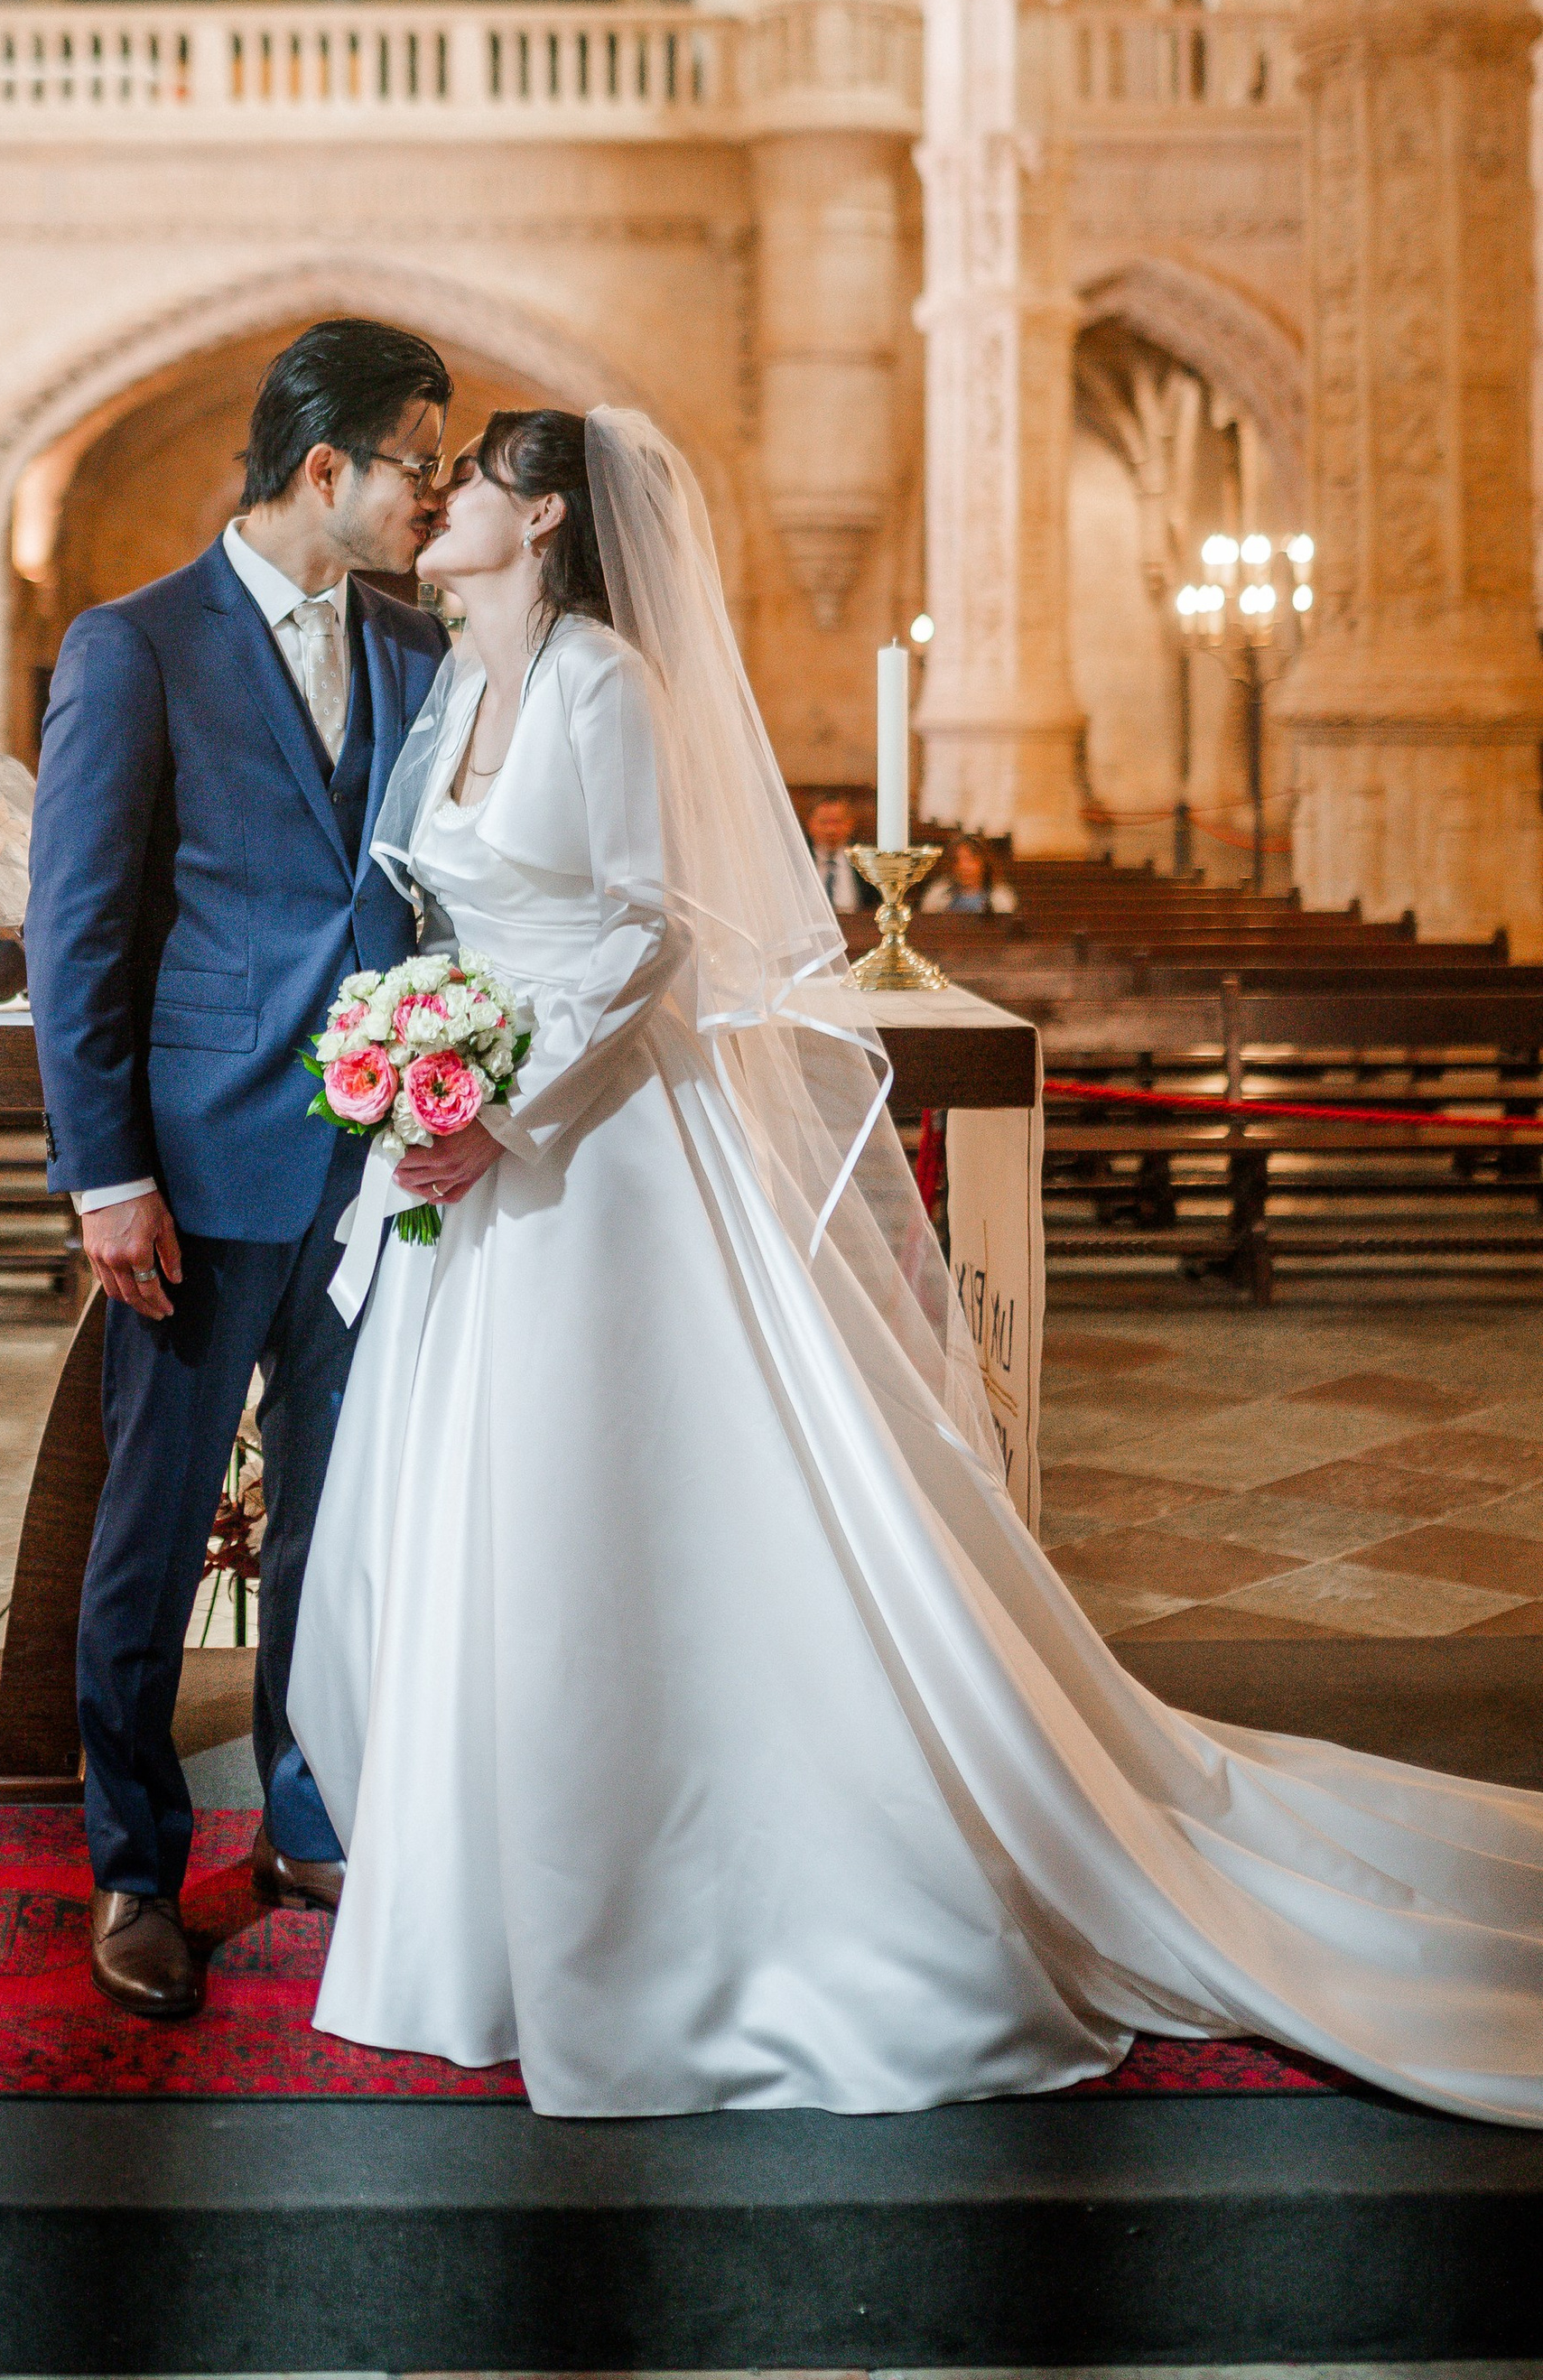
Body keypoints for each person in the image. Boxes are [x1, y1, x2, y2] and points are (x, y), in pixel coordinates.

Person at [289, 404, 1543, 2121]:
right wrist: (419, 1069)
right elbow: (451, 918)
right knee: (466, 1523)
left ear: (548, 515)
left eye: (475, 484)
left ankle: (692, 1898)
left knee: (613, 1517)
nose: (439, 506)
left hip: (601, 1157)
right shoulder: (455, 690)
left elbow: (652, 934)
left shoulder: (601, 683)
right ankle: (486, 1896)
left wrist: (506, 1109)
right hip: (477, 1166)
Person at [24, 317, 451, 2023]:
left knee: (335, 1528)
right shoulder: (137, 646)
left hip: (379, 1174)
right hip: (196, 1171)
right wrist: (105, 1170)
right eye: (418, 461)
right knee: (150, 1529)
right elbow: (80, 932)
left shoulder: (422, 648)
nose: (437, 491)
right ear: (326, 469)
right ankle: (134, 1861)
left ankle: (302, 1812)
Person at [804, 787, 871, 912]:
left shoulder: (865, 861)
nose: (831, 830)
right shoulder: (796, 860)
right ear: (810, 824)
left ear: (850, 823)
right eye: (824, 822)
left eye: (837, 822)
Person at [920, 832, 1018, 916]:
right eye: (957, 860)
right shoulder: (938, 893)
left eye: (970, 859)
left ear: (984, 863)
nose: (963, 867)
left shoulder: (999, 896)